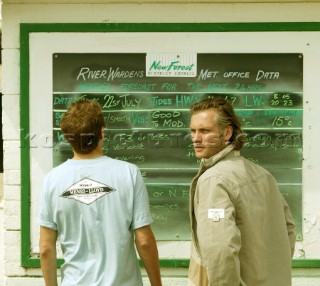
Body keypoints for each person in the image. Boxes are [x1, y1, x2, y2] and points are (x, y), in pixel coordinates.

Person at [38, 98, 162, 286]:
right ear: (102, 132)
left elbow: (46, 248)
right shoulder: (128, 173)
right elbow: (144, 241)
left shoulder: (52, 180)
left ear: (67, 138)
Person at [188, 97, 296, 286]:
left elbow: (220, 249)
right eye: (193, 131)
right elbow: (288, 229)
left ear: (227, 132)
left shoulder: (214, 180)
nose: (196, 138)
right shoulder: (263, 175)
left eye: (205, 131)